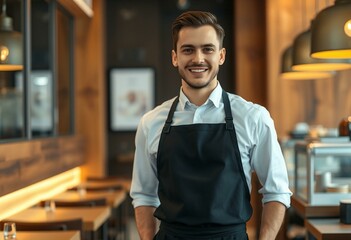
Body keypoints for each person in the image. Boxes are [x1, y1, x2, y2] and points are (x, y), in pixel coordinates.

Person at [130, 11, 292, 240]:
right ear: (175, 57)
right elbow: (144, 196)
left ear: (221, 56)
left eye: (208, 49)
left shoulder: (253, 117)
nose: (198, 59)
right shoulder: (150, 123)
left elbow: (277, 192)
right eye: (188, 50)